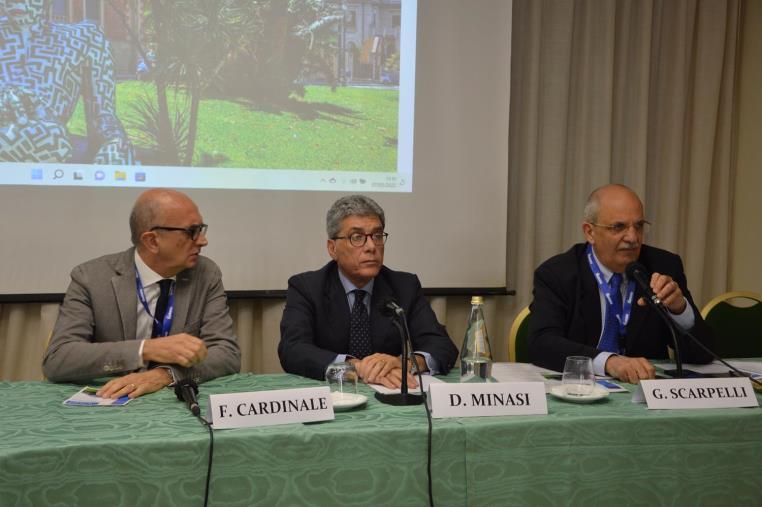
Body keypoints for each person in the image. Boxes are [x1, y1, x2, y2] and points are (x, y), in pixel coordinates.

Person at [43, 189, 240, 398]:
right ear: (152, 241)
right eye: (191, 231)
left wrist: (164, 375)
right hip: (110, 401)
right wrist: (145, 349)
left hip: (174, 403)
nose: (202, 241)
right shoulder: (91, 278)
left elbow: (227, 354)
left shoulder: (205, 274)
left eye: (201, 229)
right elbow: (58, 359)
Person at [528, 184, 714, 383]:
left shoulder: (663, 266)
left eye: (639, 226)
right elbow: (542, 343)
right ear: (589, 232)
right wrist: (609, 362)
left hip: (647, 393)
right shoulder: (558, 273)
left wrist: (679, 310)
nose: (633, 238)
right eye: (618, 227)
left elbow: (702, 355)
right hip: (583, 393)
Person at [279, 194, 459, 389]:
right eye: (357, 237)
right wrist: (355, 366)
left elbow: (442, 345)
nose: (372, 246)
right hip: (334, 397)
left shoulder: (404, 286)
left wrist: (405, 363)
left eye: (377, 236)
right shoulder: (307, 287)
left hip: (389, 394)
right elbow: (293, 349)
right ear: (332, 248)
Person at [0, 0, 134, 163]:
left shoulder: (84, 38)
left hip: (46, 139)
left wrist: (114, 142)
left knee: (50, 137)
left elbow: (103, 115)